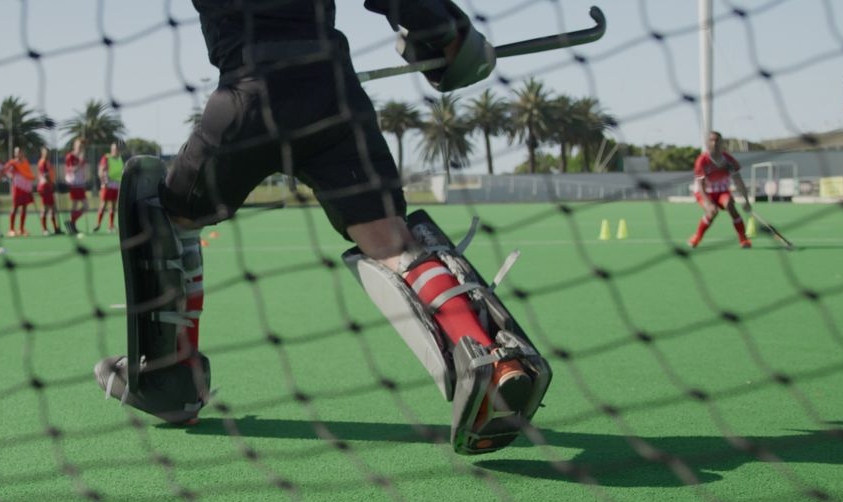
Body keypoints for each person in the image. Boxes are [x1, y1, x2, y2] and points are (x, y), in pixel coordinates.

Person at [93, 0, 552, 456]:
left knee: (163, 210)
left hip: (248, 98)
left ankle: (169, 380)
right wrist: (447, 33)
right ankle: (495, 359)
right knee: (391, 240)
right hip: (334, 96)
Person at [688, 131, 753, 249]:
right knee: (712, 211)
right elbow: (701, 186)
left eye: (717, 140)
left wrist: (746, 201)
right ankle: (697, 237)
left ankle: (743, 240)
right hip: (705, 192)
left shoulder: (729, 160)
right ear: (707, 143)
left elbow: (739, 182)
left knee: (730, 206)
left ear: (721, 142)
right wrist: (708, 203)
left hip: (722, 192)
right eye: (711, 140)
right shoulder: (702, 161)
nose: (715, 143)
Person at [3, 146, 36, 237]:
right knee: (15, 207)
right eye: (17, 152)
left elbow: (28, 173)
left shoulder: (25, 162)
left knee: (24, 208)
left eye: (21, 152)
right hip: (17, 186)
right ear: (15, 153)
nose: (19, 154)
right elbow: (5, 171)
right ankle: (11, 229)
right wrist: (11, 176)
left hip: (26, 187)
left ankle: (21, 229)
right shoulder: (12, 163)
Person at [93, 142, 123, 232]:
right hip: (107, 184)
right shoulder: (106, 157)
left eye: (116, 149)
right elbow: (101, 170)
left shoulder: (120, 159)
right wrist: (104, 181)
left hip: (116, 184)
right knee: (103, 204)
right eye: (113, 149)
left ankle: (111, 226)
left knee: (113, 206)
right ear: (111, 149)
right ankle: (98, 224)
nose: (115, 151)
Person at [36, 147, 62, 236]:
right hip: (44, 187)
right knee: (45, 208)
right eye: (45, 152)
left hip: (49, 187)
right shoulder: (42, 163)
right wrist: (52, 184)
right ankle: (44, 229)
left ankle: (56, 228)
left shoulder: (47, 162)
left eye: (48, 152)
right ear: (42, 153)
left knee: (53, 208)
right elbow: (46, 176)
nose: (47, 154)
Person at [64, 139, 88, 233]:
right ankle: (72, 223)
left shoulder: (82, 157)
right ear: (74, 146)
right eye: (79, 145)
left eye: (82, 146)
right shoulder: (70, 156)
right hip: (73, 183)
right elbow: (72, 170)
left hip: (80, 183)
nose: (80, 147)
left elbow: (83, 171)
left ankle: (72, 223)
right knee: (77, 205)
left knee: (84, 206)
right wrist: (80, 162)